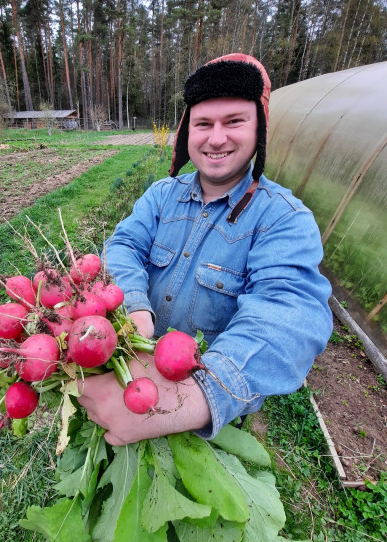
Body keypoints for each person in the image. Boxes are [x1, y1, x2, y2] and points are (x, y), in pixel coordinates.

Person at [78, 52, 332, 447]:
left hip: (208, 414)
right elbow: (124, 245)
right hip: (128, 376)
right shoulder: (162, 196)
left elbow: (290, 318)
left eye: (234, 122)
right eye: (203, 124)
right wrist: (135, 308)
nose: (216, 138)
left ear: (259, 130)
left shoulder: (284, 219)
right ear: (187, 132)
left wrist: (185, 399)